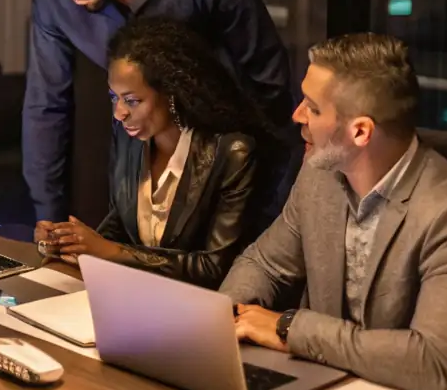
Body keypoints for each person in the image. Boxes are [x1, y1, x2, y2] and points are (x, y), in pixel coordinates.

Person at [222, 33, 447, 390]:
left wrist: (289, 328)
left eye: (313, 109)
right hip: (339, 387)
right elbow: (265, 264)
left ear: (360, 131)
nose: (297, 115)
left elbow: (433, 363)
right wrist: (220, 323)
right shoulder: (320, 177)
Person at [23, 0, 297, 223]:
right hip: (134, 157)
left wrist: (261, 198)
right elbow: (46, 105)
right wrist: (48, 215)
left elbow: (267, 82)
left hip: (224, 149)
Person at [35, 17, 283, 286]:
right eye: (113, 97)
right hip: (134, 295)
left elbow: (213, 267)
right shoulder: (129, 140)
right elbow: (119, 226)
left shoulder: (233, 153)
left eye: (132, 100)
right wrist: (70, 241)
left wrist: (108, 251)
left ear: (171, 94)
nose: (119, 113)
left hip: (196, 308)